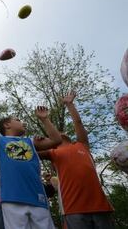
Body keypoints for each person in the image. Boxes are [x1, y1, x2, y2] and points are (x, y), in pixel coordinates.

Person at [0, 99, 62, 229]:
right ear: (7, 125)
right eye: (18, 120)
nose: (23, 122)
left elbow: (56, 140)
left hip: (37, 197)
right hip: (12, 198)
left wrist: (44, 119)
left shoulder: (31, 142)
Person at [38, 92, 115, 229]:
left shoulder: (82, 145)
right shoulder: (53, 153)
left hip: (100, 207)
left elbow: (78, 123)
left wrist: (69, 104)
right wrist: (44, 124)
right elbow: (31, 151)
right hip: (74, 209)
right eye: (57, 133)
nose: (61, 132)